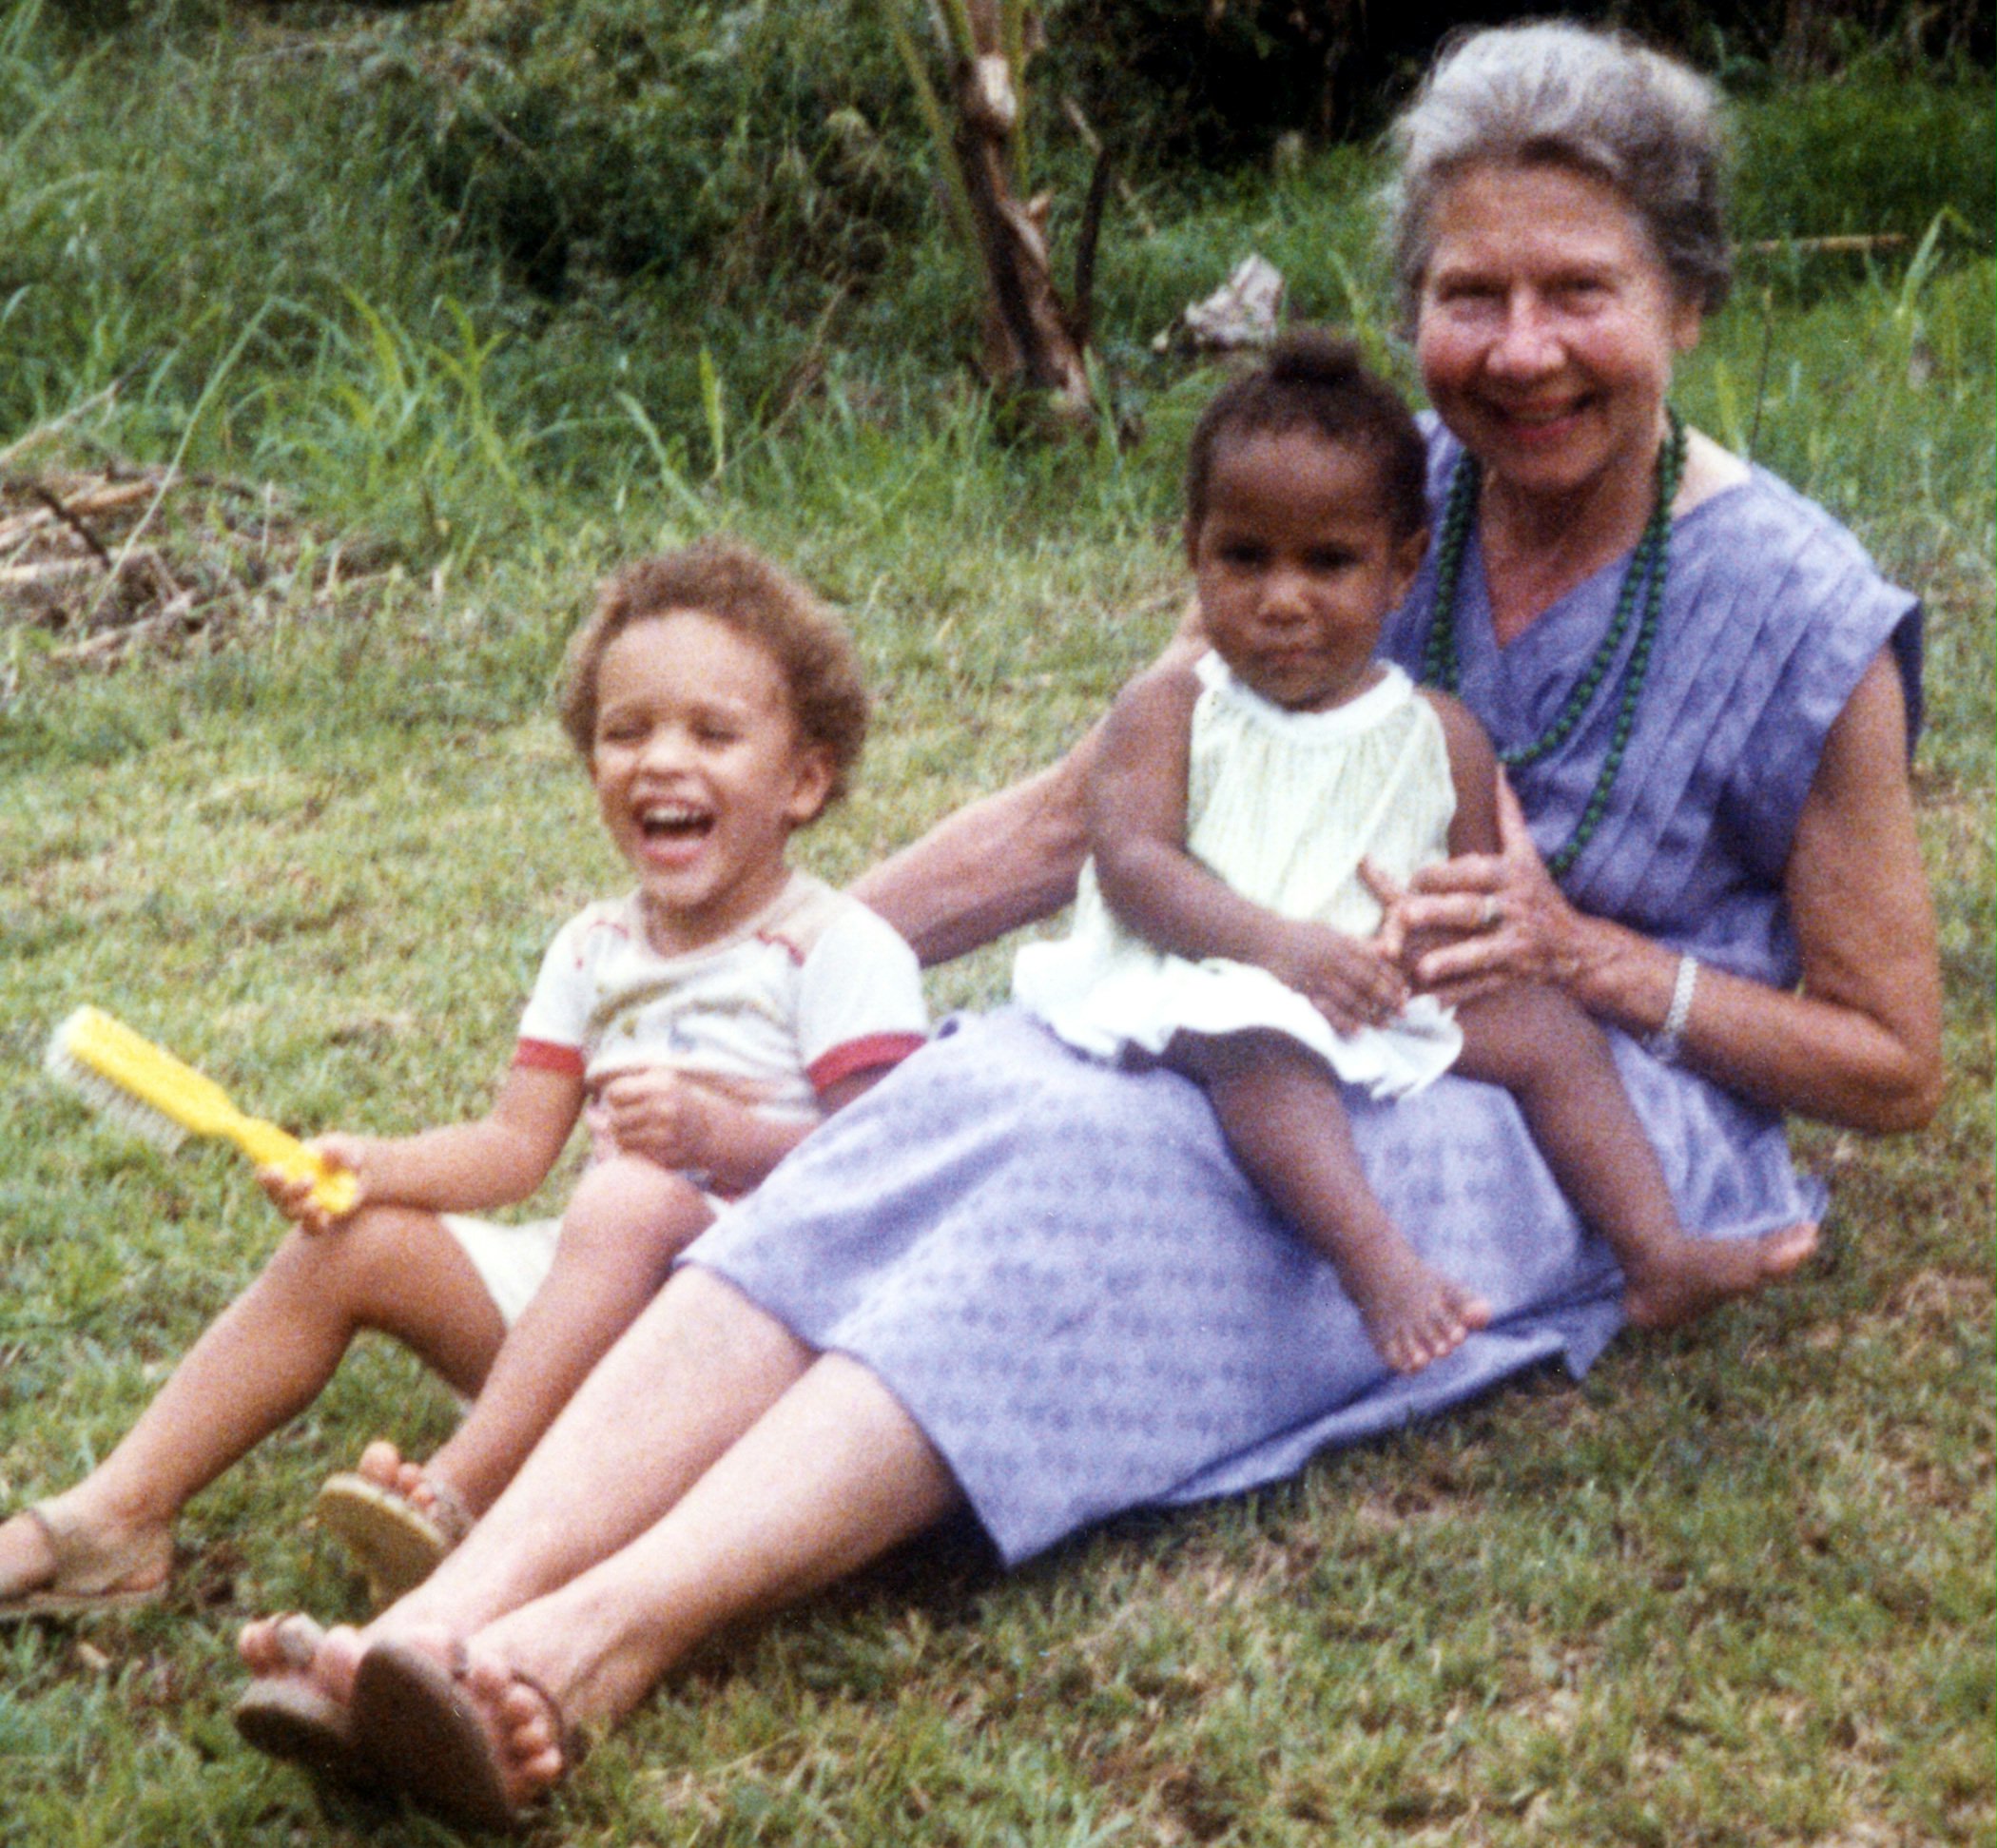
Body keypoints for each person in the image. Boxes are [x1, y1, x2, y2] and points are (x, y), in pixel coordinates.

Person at [233, 22, 1942, 1833]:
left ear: (1687, 302)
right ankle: (433, 1616)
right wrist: (753, 990)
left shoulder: (1795, 606)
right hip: (1264, 1014)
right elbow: (1075, 823)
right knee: (965, 1092)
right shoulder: (1360, 500)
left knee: (1111, 1151)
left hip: (1571, 1100)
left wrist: (1582, 954)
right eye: (1470, 294)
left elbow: (1888, 1062)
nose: (1520, 352)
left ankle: (582, 1642)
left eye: (1579, 292)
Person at [0, 539, 926, 1630]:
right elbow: (511, 1146)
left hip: (739, 1343)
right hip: (583, 1316)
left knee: (632, 1194)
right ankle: (113, 1516)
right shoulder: (595, 945)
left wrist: (723, 1136)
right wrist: (374, 1164)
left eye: (713, 733)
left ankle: (461, 1494)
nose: (660, 761)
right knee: (359, 1235)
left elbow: (894, 1170)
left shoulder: (840, 948)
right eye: (625, 731)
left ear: (804, 779)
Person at [1015, 329, 1811, 1376]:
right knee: (1264, 1043)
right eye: (1243, 556)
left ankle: (1656, 1250)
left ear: (1402, 567)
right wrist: (1279, 950)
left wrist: (1426, 947)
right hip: (1202, 972)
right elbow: (1137, 869)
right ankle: (1379, 1267)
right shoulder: (1172, 708)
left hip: (1363, 977)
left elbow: (1465, 899)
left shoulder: (1440, 734)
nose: (1283, 597)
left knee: (1549, 1030)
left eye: (1329, 561)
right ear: (1194, 553)